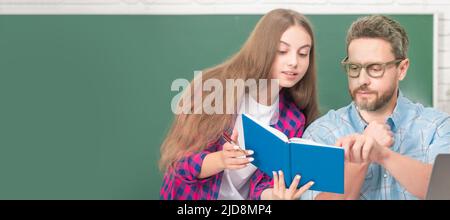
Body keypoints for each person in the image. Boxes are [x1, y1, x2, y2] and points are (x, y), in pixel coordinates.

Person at [159, 8, 319, 200]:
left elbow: (263, 185)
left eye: (303, 54)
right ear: (263, 49)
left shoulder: (293, 120)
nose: (294, 62)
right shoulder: (212, 90)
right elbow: (179, 164)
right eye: (282, 51)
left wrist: (277, 196)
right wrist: (220, 160)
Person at [301, 15, 450, 200]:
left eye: (375, 68)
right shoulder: (320, 134)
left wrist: (382, 154)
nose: (362, 80)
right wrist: (361, 157)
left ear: (402, 69)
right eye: (354, 67)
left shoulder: (438, 127)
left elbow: (445, 191)